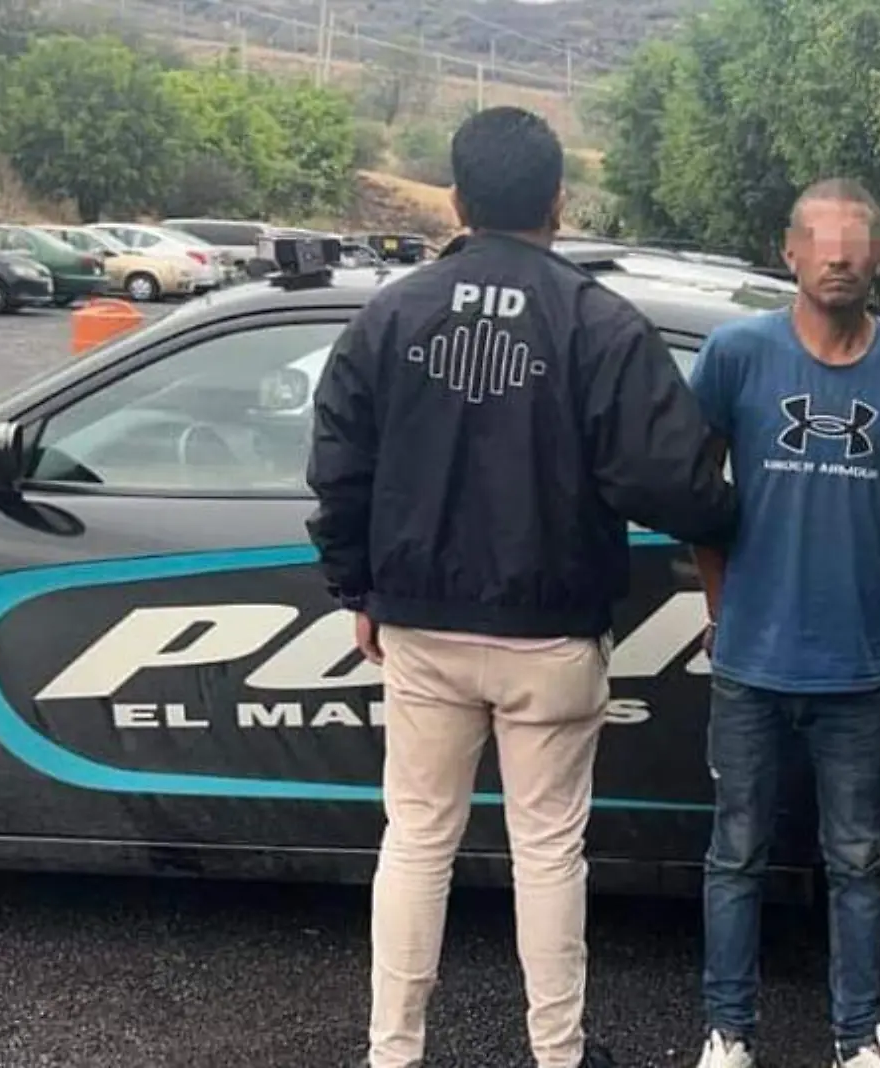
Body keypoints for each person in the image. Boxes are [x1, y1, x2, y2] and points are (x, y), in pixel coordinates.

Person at [308, 105, 740, 1068]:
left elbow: (338, 466)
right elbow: (670, 483)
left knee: (416, 840)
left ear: (456, 200)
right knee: (548, 851)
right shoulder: (598, 322)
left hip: (421, 626)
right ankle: (558, 1053)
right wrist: (733, 520)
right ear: (559, 201)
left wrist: (357, 588)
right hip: (552, 632)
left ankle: (392, 1053)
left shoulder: (391, 315)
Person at [688, 178, 880, 1068]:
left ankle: (857, 1036)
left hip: (856, 665)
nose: (839, 255)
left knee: (856, 860)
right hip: (750, 661)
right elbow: (698, 495)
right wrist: (722, 606)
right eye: (820, 238)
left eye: (856, 240)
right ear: (790, 252)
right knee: (736, 854)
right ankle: (728, 1031)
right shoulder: (735, 356)